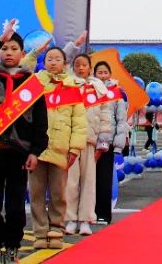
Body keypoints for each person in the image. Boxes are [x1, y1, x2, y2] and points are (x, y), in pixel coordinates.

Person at [0, 20, 48, 264]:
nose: (8, 53)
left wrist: (35, 151)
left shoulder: (31, 84)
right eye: (5, 49)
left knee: (16, 205)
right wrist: (0, 39)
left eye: (14, 49)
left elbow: (40, 122)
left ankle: (13, 247)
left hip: (19, 153)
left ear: (22, 53)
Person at [29, 46, 87, 251]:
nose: (53, 62)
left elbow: (79, 122)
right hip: (36, 150)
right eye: (49, 59)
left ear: (64, 63)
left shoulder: (72, 87)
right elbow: (22, 69)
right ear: (44, 63)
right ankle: (40, 232)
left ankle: (56, 229)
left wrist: (75, 148)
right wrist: (34, 53)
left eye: (57, 59)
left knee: (58, 194)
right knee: (36, 194)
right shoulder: (35, 83)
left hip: (61, 150)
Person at [65, 53, 114, 236]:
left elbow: (106, 117)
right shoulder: (68, 86)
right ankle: (71, 219)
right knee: (70, 182)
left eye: (84, 65)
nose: (80, 68)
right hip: (71, 142)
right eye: (77, 65)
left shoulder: (99, 87)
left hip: (90, 141)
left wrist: (103, 143)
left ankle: (86, 219)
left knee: (89, 182)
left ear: (90, 67)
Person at [92, 60, 129, 225]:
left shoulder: (116, 92)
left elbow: (121, 120)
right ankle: (89, 213)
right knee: (89, 180)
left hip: (107, 142)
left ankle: (103, 214)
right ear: (94, 74)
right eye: (99, 72)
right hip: (90, 141)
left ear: (110, 74)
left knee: (104, 179)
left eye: (105, 72)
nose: (102, 75)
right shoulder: (89, 90)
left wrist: (118, 145)